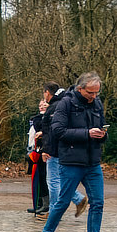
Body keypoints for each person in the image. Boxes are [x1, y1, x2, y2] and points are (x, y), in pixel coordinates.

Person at [39, 72, 112, 232]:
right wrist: (87, 133)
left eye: (97, 92)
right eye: (91, 93)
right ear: (80, 89)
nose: (94, 96)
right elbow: (58, 131)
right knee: (63, 202)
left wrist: (103, 135)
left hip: (92, 162)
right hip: (71, 161)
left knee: (98, 202)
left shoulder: (97, 103)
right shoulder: (65, 104)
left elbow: (102, 126)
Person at [40, 83, 87, 219]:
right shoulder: (67, 103)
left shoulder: (55, 107)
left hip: (54, 151)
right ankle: (77, 199)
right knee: (61, 180)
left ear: (47, 93)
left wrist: (46, 149)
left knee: (53, 181)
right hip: (65, 150)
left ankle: (54, 212)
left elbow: (51, 131)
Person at [26, 97, 50, 219]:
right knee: (38, 178)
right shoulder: (36, 118)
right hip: (35, 151)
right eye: (40, 104)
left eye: (45, 104)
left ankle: (46, 205)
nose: (42, 105)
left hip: (43, 152)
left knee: (45, 179)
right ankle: (39, 203)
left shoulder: (46, 119)